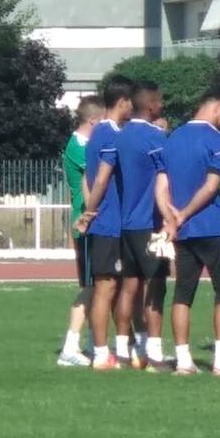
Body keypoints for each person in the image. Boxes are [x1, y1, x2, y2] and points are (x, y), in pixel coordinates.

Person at [158, 91, 220, 376]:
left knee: (183, 292)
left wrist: (172, 219)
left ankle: (183, 361)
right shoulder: (217, 140)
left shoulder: (172, 139)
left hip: (184, 231)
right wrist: (186, 212)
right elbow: (211, 186)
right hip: (212, 226)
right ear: (217, 107)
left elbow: (162, 187)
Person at [77, 76, 134, 370]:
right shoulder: (112, 134)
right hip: (109, 222)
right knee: (106, 289)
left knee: (111, 287)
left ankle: (112, 350)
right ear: (123, 101)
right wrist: (90, 211)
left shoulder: (97, 132)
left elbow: (86, 177)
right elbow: (100, 178)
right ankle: (101, 354)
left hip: (106, 221)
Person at [115, 82, 170, 371]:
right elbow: (167, 175)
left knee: (129, 287)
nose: (162, 106)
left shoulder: (122, 136)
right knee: (156, 287)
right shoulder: (155, 137)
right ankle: (155, 355)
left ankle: (123, 351)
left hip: (127, 222)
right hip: (150, 222)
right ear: (150, 105)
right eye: (159, 101)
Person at [57, 95, 103, 367]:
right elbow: (91, 183)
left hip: (92, 221)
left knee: (100, 286)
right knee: (89, 286)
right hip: (84, 223)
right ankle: (70, 347)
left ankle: (90, 344)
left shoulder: (84, 144)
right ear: (94, 120)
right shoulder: (78, 146)